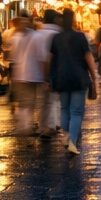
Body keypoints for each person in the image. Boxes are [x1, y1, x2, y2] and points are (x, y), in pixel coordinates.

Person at [49, 8, 99, 154]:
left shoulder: (56, 38)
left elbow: (51, 59)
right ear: (73, 20)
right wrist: (94, 76)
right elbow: (88, 57)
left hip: (61, 76)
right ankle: (72, 141)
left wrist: (49, 77)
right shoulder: (80, 37)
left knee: (64, 109)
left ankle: (67, 135)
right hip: (79, 76)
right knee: (76, 111)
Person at [5, 13, 40, 136]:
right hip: (22, 72)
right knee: (25, 100)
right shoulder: (14, 36)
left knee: (28, 100)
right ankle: (26, 125)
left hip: (29, 72)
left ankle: (26, 126)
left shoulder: (31, 35)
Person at [30, 8, 62, 136]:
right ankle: (50, 125)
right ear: (55, 19)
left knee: (43, 101)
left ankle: (44, 125)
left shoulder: (38, 33)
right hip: (51, 71)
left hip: (35, 71)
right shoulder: (56, 34)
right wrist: (47, 75)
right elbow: (49, 57)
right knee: (52, 100)